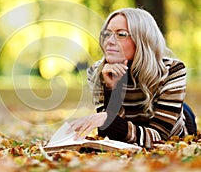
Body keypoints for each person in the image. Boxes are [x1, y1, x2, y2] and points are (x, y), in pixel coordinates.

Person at [69, 8, 197, 148]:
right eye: (107, 34)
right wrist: (113, 91)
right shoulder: (97, 72)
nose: (109, 41)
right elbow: (111, 134)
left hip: (176, 121)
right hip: (134, 125)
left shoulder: (172, 70)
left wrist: (108, 118)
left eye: (121, 34)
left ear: (142, 39)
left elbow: (159, 138)